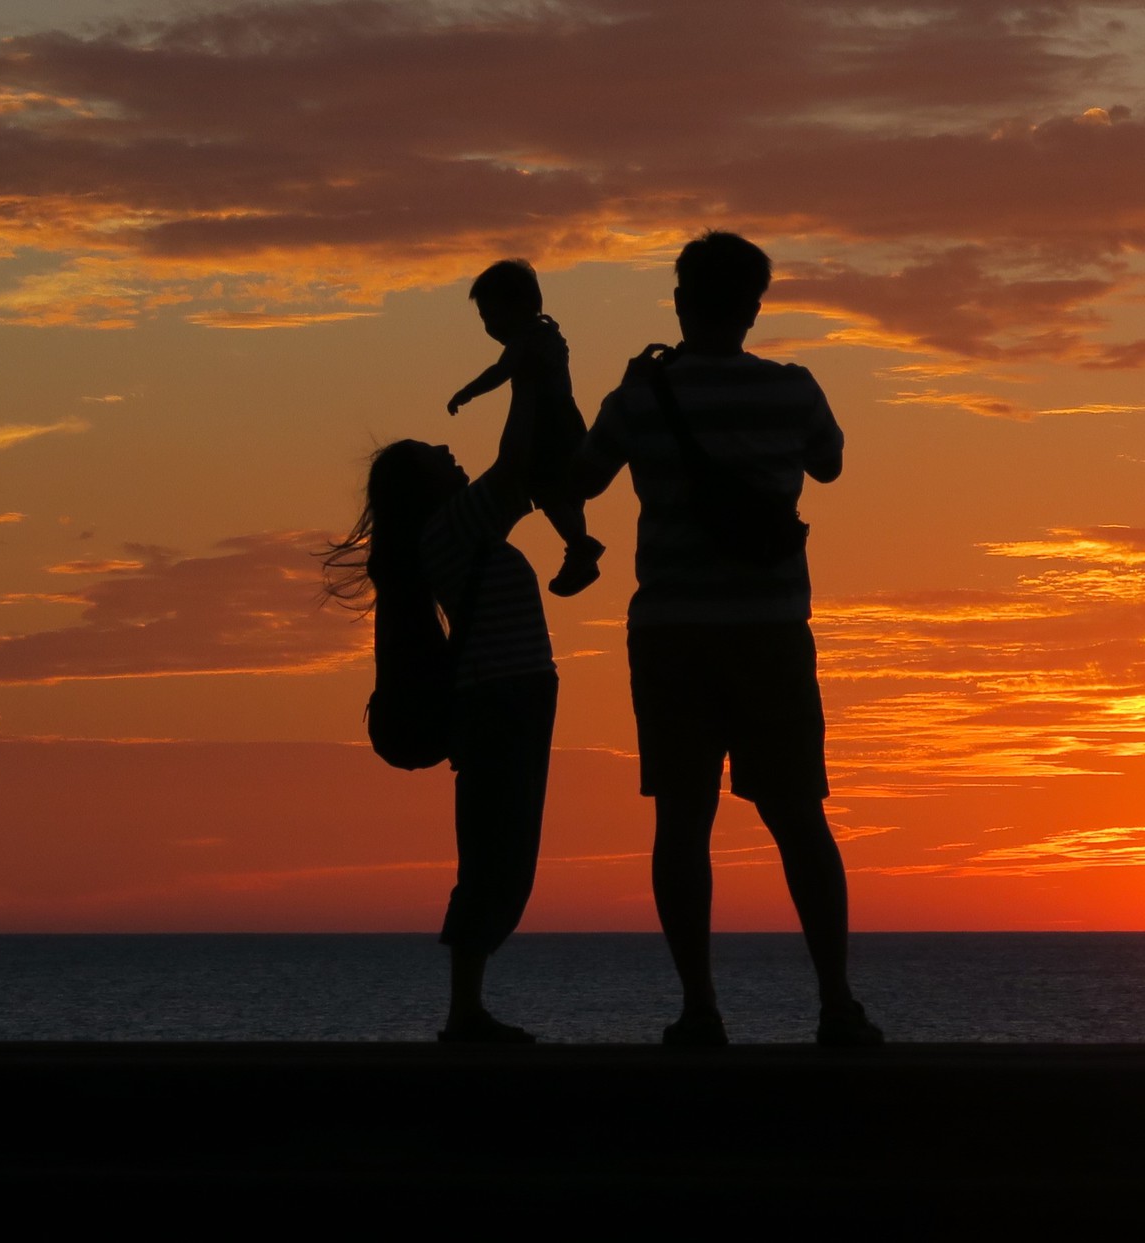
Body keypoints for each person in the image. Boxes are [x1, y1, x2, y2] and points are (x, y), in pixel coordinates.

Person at [576, 231, 881, 1047]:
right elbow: (830, 466)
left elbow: (580, 475)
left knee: (681, 822)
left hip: (671, 632)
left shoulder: (641, 394)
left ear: (679, 303)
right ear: (754, 307)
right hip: (772, 631)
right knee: (799, 819)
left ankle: (700, 1007)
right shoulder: (793, 389)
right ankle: (836, 1003)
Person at [325, 375, 557, 1043]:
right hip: (501, 700)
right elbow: (515, 467)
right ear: (422, 487)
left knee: (502, 851)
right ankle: (464, 1013)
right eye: (434, 453)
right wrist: (528, 380)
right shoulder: (453, 527)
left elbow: (524, 471)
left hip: (512, 699)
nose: (448, 449)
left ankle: (467, 1010)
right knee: (496, 853)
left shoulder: (456, 531)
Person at [448, 259, 606, 597]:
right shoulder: (548, 332)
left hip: (546, 429)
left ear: (517, 308)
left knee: (546, 488)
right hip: (568, 423)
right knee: (567, 492)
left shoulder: (527, 340)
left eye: (490, 316)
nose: (489, 327)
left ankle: (579, 545)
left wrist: (467, 392)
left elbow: (500, 372)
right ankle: (578, 551)